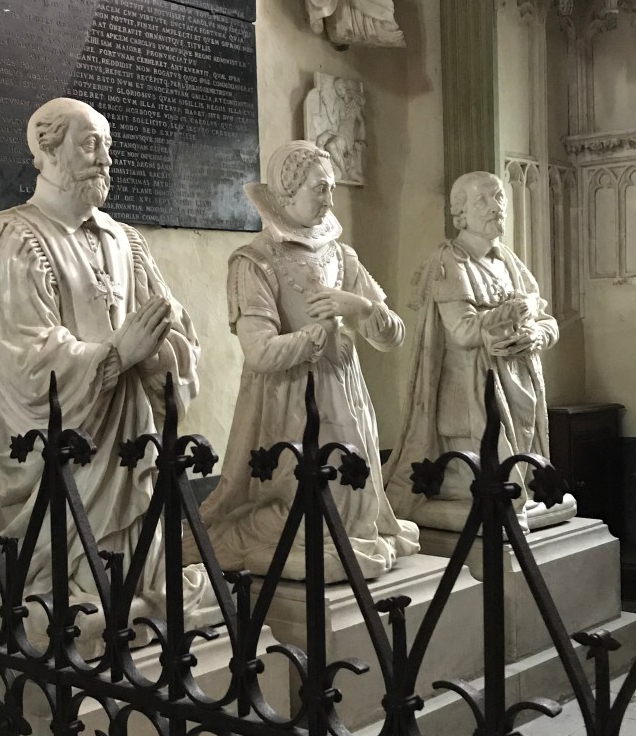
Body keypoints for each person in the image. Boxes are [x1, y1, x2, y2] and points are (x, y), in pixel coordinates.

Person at [0, 97, 216, 631]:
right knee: (58, 601)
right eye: (90, 143)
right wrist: (116, 355)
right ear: (47, 151)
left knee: (140, 575)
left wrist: (160, 356)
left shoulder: (126, 240)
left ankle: (129, 582)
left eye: (108, 144)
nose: (105, 158)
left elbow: (174, 338)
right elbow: (24, 356)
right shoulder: (14, 237)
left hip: (129, 442)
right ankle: (66, 582)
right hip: (61, 454)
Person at [184, 140, 419, 582]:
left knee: (356, 504)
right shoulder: (255, 261)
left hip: (344, 394)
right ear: (288, 191)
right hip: (287, 400)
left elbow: (393, 336)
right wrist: (317, 335)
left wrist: (360, 308)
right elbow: (260, 352)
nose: (331, 199)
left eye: (331, 189)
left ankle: (344, 534)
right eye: (320, 189)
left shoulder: (342, 256)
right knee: (303, 504)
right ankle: (246, 533)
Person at [384, 171, 576, 531]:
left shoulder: (508, 262)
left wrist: (535, 334)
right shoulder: (450, 263)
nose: (495, 207)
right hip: (473, 392)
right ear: (460, 213)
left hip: (519, 385)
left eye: (499, 197)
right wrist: (512, 316)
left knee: (521, 472)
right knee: (485, 471)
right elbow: (463, 331)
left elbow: (547, 320)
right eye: (482, 201)